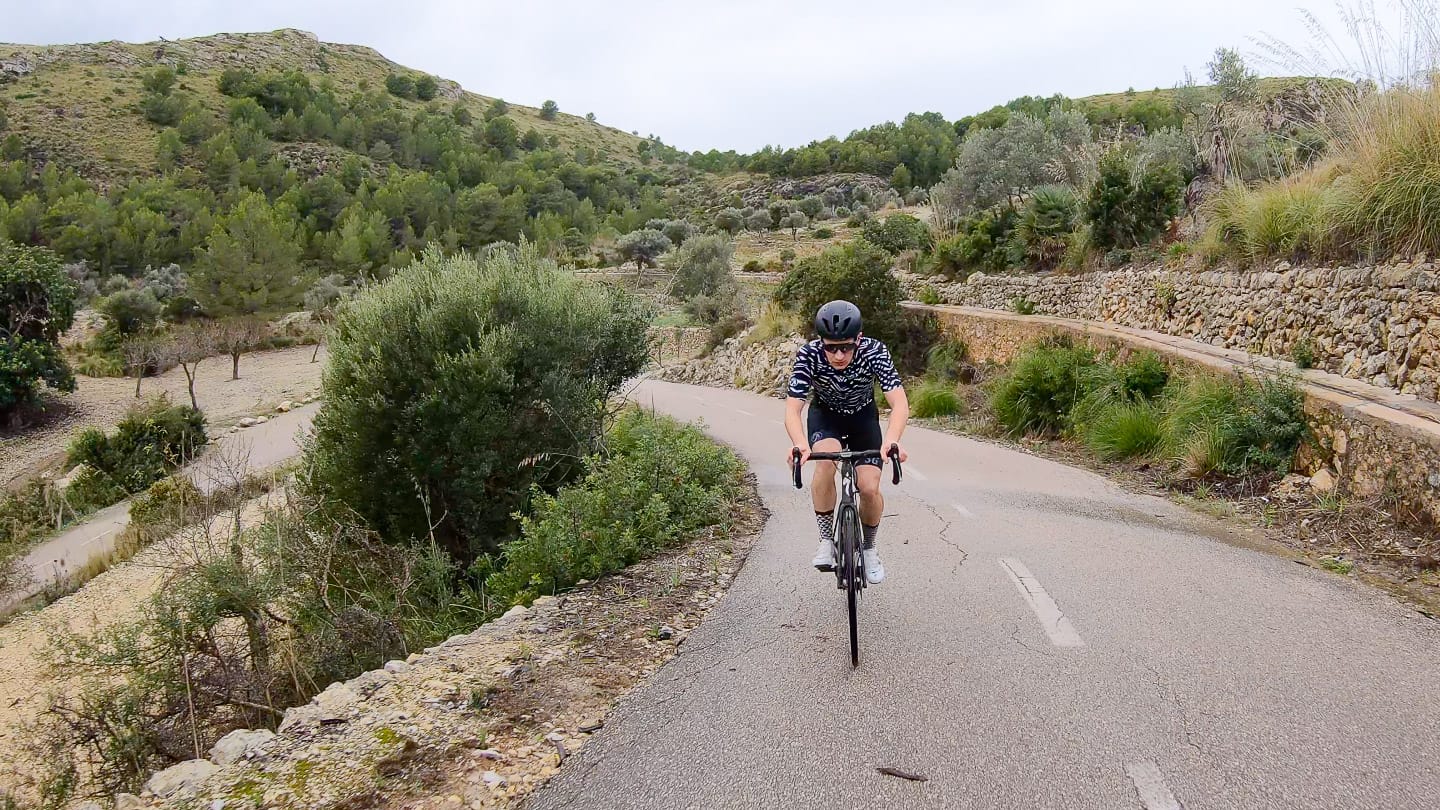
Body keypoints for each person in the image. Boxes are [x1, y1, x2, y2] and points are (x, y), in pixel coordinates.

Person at [783, 300, 909, 584]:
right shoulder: (808, 355)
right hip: (825, 417)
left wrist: (891, 440)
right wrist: (801, 444)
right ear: (820, 342)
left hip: (863, 418)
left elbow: (899, 404)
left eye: (846, 347)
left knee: (868, 487)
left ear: (859, 340)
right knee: (825, 460)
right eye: (831, 347)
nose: (838, 355)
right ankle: (826, 540)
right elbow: (793, 408)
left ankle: (869, 548)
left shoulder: (875, 351)